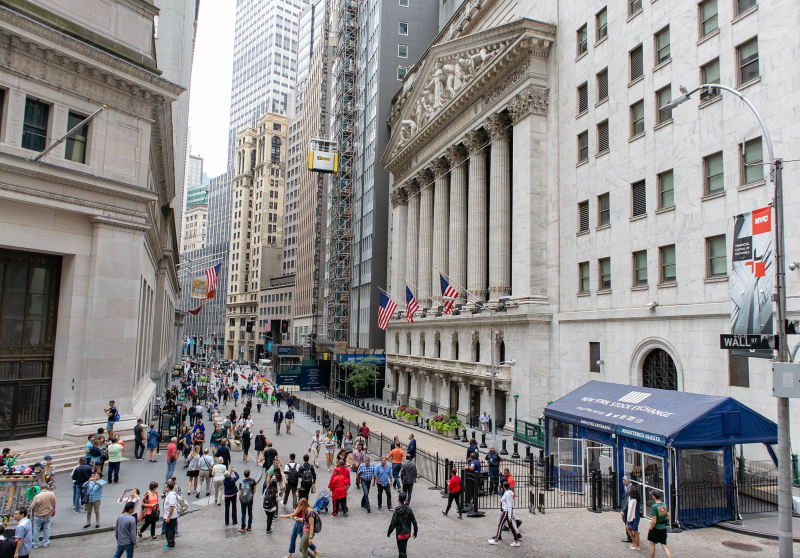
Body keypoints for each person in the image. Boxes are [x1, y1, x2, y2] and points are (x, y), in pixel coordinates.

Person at [488, 480, 520, 547]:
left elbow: (509, 505)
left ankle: (496, 539)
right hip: (507, 511)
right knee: (510, 526)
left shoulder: (507, 494)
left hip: (506, 511)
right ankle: (516, 540)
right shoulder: (509, 493)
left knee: (500, 524)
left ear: (504, 486)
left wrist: (509, 516)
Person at [387, 492, 417, 558]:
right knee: (403, 550)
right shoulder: (408, 509)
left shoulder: (397, 512)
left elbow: (393, 524)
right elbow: (414, 522)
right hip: (407, 534)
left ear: (398, 499)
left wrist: (389, 532)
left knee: (402, 552)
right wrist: (415, 532)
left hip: (400, 535)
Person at [646, 491, 673, 558]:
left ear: (654, 497)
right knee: (664, 545)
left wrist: (650, 528)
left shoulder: (654, 506)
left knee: (652, 544)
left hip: (656, 528)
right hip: (663, 528)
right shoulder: (664, 504)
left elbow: (654, 521)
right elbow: (669, 517)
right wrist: (663, 518)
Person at [626, 484, 642, 551]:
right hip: (633, 516)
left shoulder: (634, 500)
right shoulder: (634, 499)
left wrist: (629, 518)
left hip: (634, 516)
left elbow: (631, 510)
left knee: (635, 530)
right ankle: (634, 542)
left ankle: (637, 545)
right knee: (628, 527)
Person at [163, 481, 178, 550]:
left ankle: (171, 543)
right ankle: (170, 542)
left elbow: (172, 507)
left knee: (169, 530)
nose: (165, 488)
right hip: (169, 516)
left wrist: (168, 517)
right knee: (169, 530)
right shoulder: (169, 494)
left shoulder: (172, 496)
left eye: (165, 487)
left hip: (171, 517)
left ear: (168, 488)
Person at [621, 475, 633, 543]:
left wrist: (624, 510)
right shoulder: (627, 488)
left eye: (624, 481)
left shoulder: (629, 489)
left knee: (626, 521)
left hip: (627, 509)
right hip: (627, 509)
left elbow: (627, 501)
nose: (623, 482)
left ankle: (629, 536)